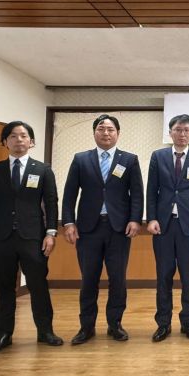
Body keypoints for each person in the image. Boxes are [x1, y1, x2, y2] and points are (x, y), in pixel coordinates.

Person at [0, 121, 63, 354]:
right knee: (3, 288)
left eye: (23, 136)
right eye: (12, 136)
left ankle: (45, 331)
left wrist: (51, 232)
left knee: (38, 286)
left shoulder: (43, 170)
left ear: (31, 142)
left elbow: (51, 203)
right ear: (5, 142)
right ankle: (3, 334)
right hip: (0, 238)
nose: (18, 140)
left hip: (33, 237)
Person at [62, 114, 144, 345]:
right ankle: (86, 327)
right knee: (89, 279)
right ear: (94, 132)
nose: (106, 133)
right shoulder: (81, 159)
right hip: (88, 229)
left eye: (110, 129)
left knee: (118, 279)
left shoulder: (129, 160)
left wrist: (135, 219)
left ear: (118, 133)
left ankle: (115, 324)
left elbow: (137, 193)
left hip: (119, 229)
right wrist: (68, 222)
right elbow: (69, 194)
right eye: (101, 129)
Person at [146, 114, 189, 342]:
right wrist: (151, 218)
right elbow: (151, 190)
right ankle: (163, 323)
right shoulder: (159, 156)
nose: (182, 134)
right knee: (163, 275)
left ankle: (187, 321)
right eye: (178, 130)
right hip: (163, 226)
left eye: (186, 130)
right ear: (170, 132)